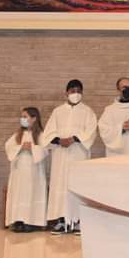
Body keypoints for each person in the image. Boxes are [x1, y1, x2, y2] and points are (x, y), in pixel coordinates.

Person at [42, 79, 98, 235]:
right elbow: (48, 132)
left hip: (78, 153)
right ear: (66, 92)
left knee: (77, 184)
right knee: (60, 185)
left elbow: (91, 132)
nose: (76, 94)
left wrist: (74, 139)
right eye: (73, 91)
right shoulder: (58, 111)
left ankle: (78, 221)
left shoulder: (87, 111)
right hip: (61, 154)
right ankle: (61, 221)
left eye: (79, 91)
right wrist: (59, 140)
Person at [4, 107, 48, 233]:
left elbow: (45, 150)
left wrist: (32, 148)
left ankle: (30, 222)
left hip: (34, 171)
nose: (22, 119)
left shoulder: (41, 135)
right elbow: (8, 146)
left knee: (30, 194)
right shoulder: (18, 134)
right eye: (22, 117)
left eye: (25, 117)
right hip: (19, 170)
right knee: (18, 194)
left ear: (34, 118)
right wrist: (20, 147)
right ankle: (18, 221)